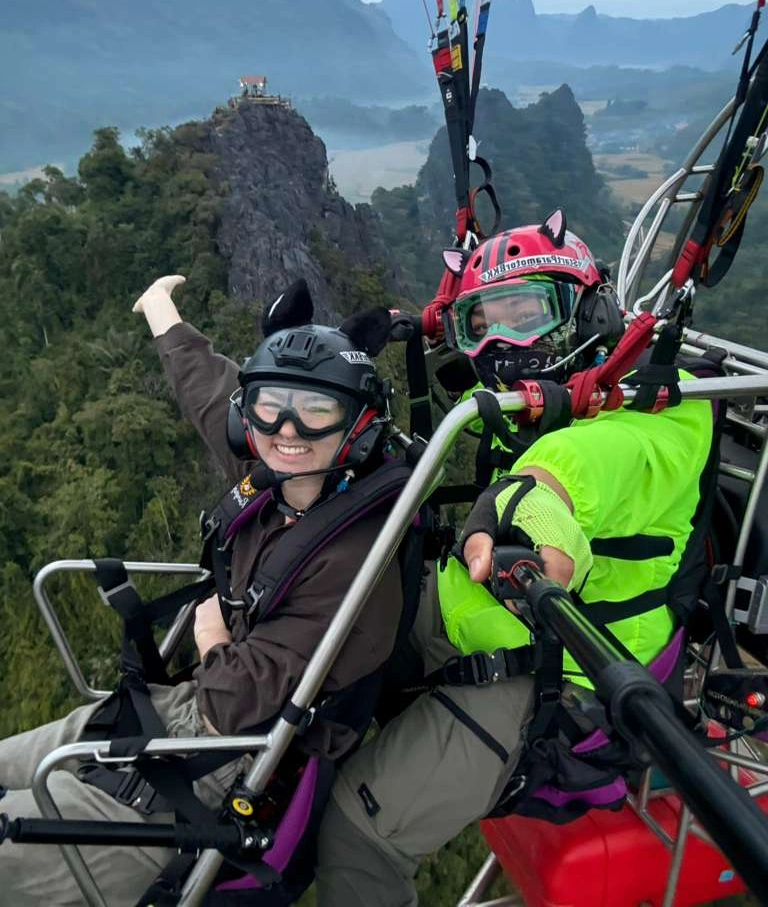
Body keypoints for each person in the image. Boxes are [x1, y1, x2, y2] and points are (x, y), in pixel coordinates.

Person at [314, 211, 714, 906]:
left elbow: (574, 471)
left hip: (563, 671)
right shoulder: (547, 405)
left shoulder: (662, 418)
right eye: (482, 324)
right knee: (317, 640)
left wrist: (530, 512)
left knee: (358, 834)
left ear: (587, 313)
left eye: (527, 314)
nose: (503, 344)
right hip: (474, 610)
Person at [0, 275, 406, 907]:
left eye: (317, 410)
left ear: (358, 424)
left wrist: (212, 638)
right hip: (176, 710)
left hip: (222, 761)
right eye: (271, 405)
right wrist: (161, 311)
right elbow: (208, 391)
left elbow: (236, 703)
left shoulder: (355, 562)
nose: (288, 428)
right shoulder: (278, 474)